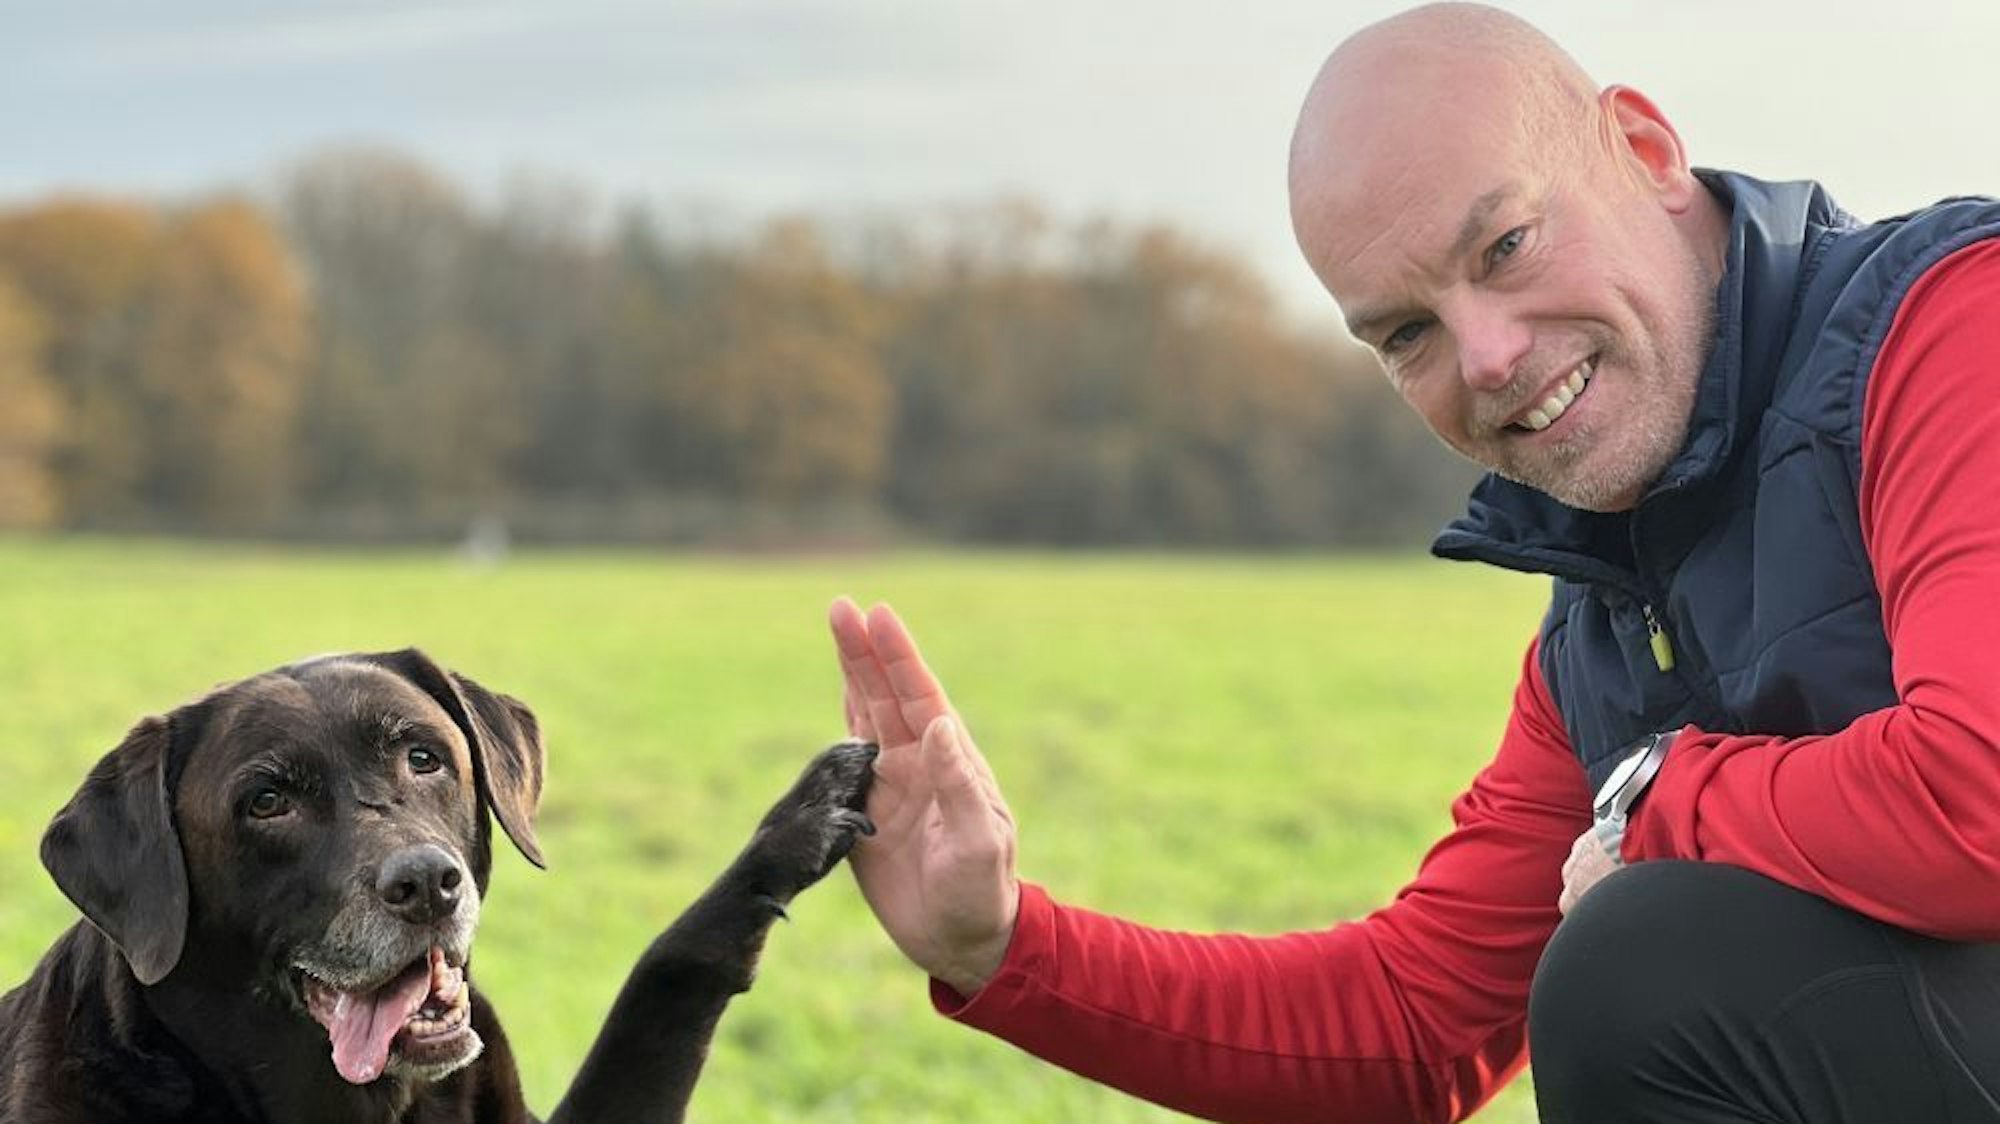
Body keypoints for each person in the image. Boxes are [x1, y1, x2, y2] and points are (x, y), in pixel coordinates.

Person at [829, 3, 2000, 1121]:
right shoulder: (1601, 630)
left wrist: (1651, 803)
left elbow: (1980, 792)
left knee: (1640, 956)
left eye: (1504, 245)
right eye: (1405, 332)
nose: (1483, 356)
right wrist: (1000, 943)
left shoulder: (1948, 324)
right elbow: (1411, 1020)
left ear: (1642, 151)